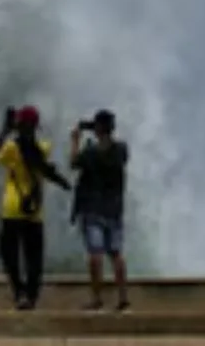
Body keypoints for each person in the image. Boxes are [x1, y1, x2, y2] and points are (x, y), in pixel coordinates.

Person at [0, 105, 71, 310]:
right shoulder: (44, 147)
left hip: (11, 208)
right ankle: (32, 296)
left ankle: (19, 292)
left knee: (9, 253)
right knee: (34, 256)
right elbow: (43, 168)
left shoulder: (10, 148)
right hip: (34, 209)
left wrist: (4, 131)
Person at [69, 109, 131, 311]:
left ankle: (97, 298)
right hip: (114, 208)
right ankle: (123, 297)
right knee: (116, 254)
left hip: (93, 208)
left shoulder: (91, 153)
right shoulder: (122, 149)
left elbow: (73, 163)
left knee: (95, 253)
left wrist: (76, 141)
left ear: (98, 128)